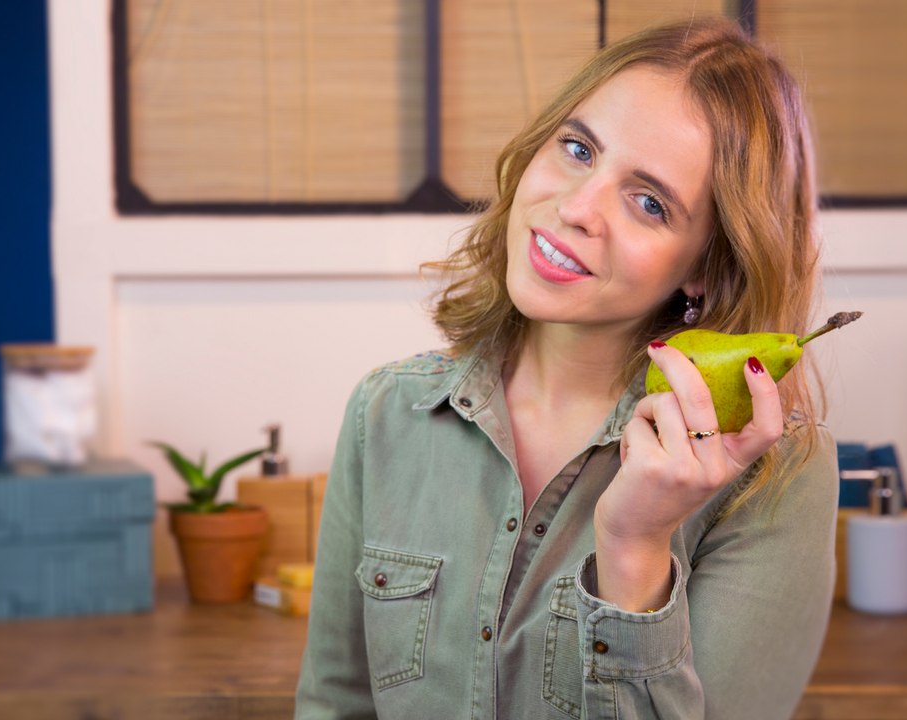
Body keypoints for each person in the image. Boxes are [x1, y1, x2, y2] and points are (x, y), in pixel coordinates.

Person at [296, 16, 837, 720]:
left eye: (649, 203)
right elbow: (334, 706)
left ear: (708, 268)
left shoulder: (772, 476)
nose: (576, 208)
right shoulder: (386, 414)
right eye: (578, 149)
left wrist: (636, 546)